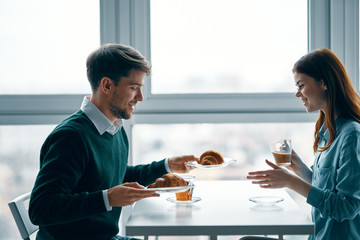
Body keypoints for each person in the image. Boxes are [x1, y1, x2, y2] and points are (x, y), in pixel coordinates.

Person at [29, 43, 196, 240]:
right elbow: (40, 208)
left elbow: (113, 175)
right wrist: (107, 198)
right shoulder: (71, 137)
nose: (140, 98)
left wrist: (166, 166)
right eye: (134, 88)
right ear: (107, 85)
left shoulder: (113, 128)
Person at [247, 48, 360, 240]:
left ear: (324, 83)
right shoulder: (327, 130)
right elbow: (326, 189)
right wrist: (299, 169)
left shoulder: (352, 135)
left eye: (301, 85)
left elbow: (346, 208)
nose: (297, 94)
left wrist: (290, 182)